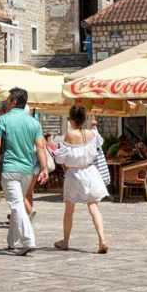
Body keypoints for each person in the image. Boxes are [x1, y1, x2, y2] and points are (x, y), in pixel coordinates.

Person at [0, 87, 49, 256]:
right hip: (27, 170)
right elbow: (41, 147)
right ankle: (12, 241)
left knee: (16, 205)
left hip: (9, 168)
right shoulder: (34, 122)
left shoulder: (3, 120)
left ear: (14, 101)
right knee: (18, 203)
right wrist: (44, 168)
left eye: (8, 99)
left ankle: (28, 240)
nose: (6, 101)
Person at [53, 105, 109, 254]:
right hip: (91, 172)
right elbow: (99, 144)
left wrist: (55, 151)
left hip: (74, 174)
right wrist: (94, 127)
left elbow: (60, 158)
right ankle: (102, 239)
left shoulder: (69, 135)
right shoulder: (91, 134)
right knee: (93, 207)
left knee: (69, 210)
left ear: (71, 119)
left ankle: (65, 241)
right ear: (84, 119)